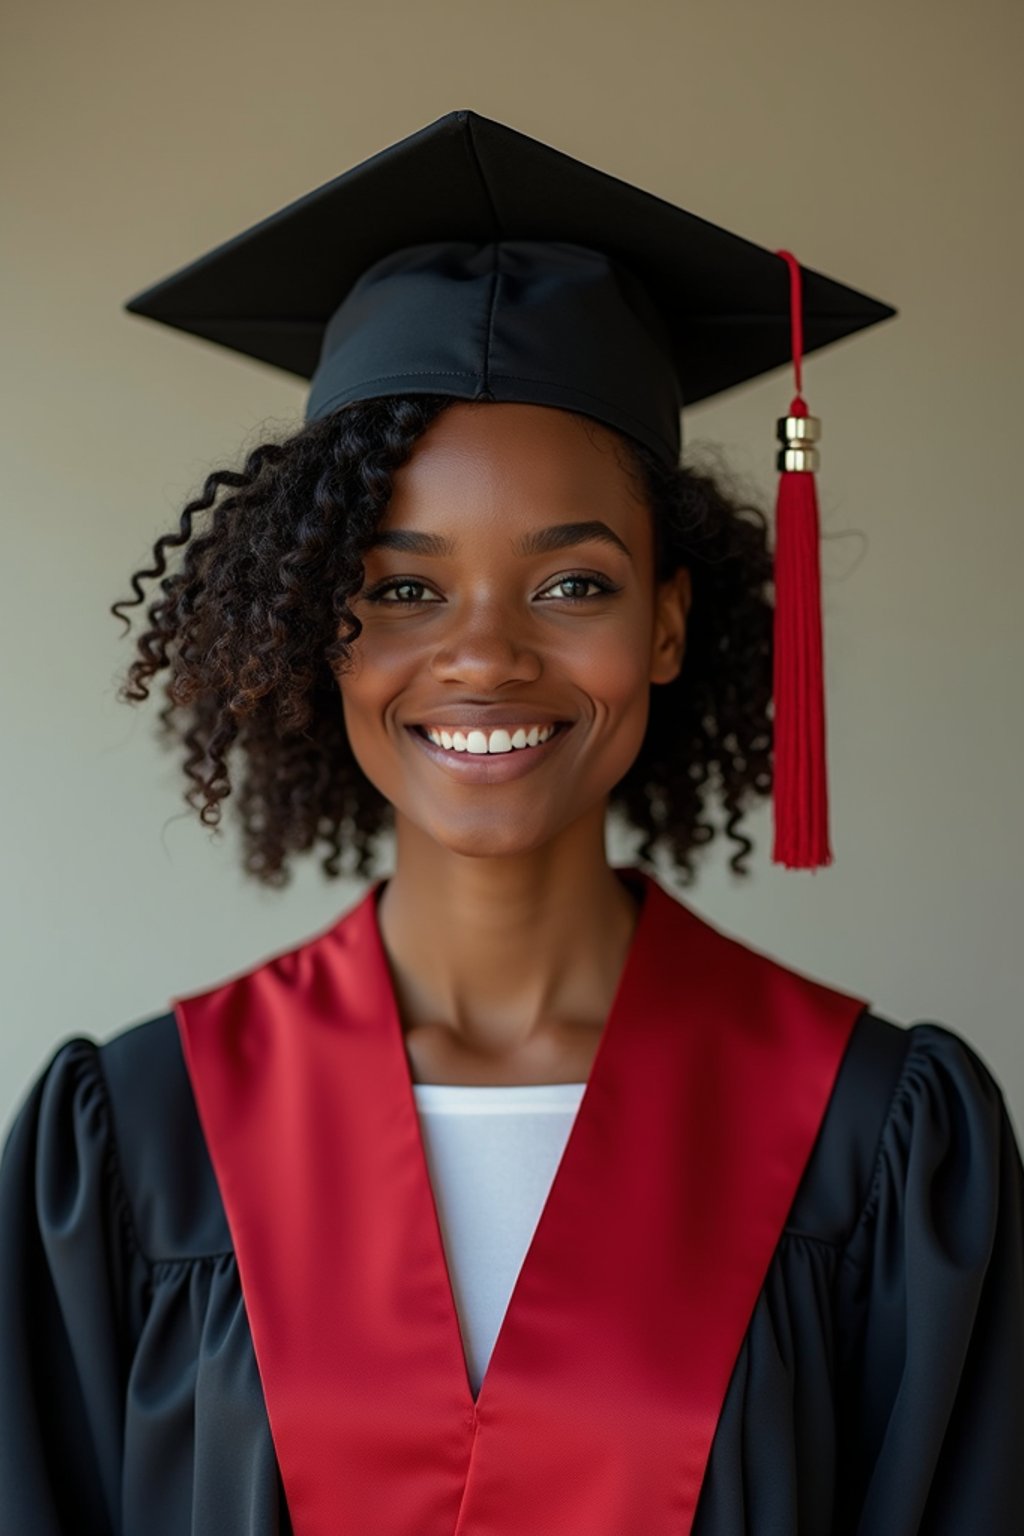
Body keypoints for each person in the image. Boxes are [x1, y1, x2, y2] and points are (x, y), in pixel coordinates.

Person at [1, 109, 1022, 1536]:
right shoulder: (133, 1143)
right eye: (404, 587)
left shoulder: (878, 1142)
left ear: (668, 625)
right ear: (321, 635)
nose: (483, 658)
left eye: (572, 585)